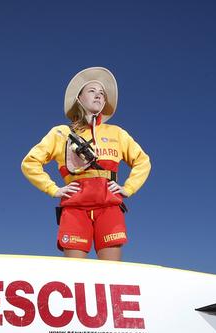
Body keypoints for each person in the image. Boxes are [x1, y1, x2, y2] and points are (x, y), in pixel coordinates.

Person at [21, 67, 151, 261]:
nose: (99, 96)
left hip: (109, 207)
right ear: (79, 98)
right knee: (75, 274)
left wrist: (128, 188)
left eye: (102, 94)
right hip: (74, 209)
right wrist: (53, 189)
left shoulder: (117, 133)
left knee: (111, 273)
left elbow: (143, 161)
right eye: (92, 91)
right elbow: (30, 163)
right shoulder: (61, 133)